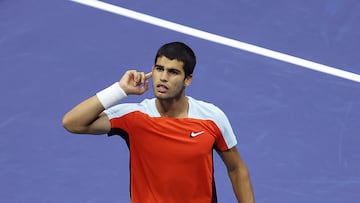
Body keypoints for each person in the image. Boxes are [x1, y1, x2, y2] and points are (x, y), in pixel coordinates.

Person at [62, 41, 254, 203]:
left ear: (188, 80)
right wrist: (120, 90)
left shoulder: (212, 118)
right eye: (159, 69)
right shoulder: (134, 117)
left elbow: (237, 169)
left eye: (173, 72)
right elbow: (72, 123)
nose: (163, 78)